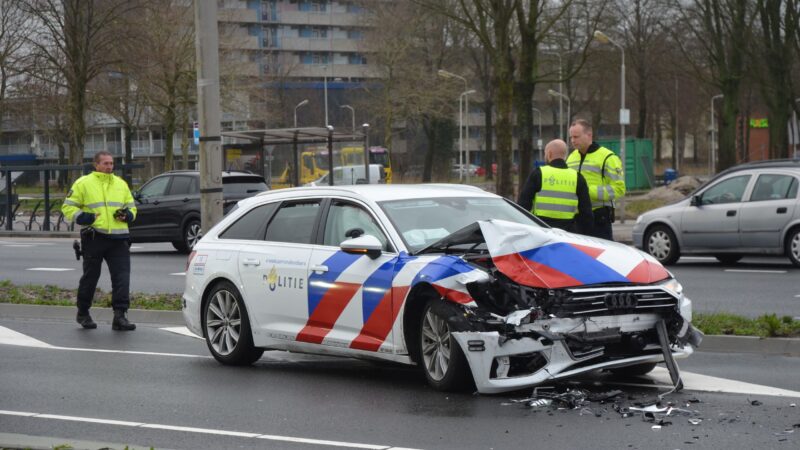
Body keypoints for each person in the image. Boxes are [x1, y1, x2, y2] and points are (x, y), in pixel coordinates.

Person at [62, 151, 137, 331]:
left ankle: (120, 316)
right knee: (91, 278)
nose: (109, 167)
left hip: (119, 238)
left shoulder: (121, 184)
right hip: (94, 237)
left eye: (111, 163)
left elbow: (132, 208)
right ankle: (83, 313)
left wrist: (127, 215)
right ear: (96, 165)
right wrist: (84, 217)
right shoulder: (83, 183)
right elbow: (67, 207)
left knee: (122, 278)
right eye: (105, 163)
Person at [567, 119, 626, 240]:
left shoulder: (608, 157)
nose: (573, 141)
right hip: (576, 219)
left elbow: (619, 189)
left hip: (599, 219)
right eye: (571, 137)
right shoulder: (571, 157)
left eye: (576, 137)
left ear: (589, 135)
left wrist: (586, 192)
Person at [518, 139, 592, 234]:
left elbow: (523, 205)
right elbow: (586, 213)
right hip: (568, 232)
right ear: (565, 155)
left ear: (549, 154)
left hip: (542, 231)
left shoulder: (538, 173)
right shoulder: (577, 177)